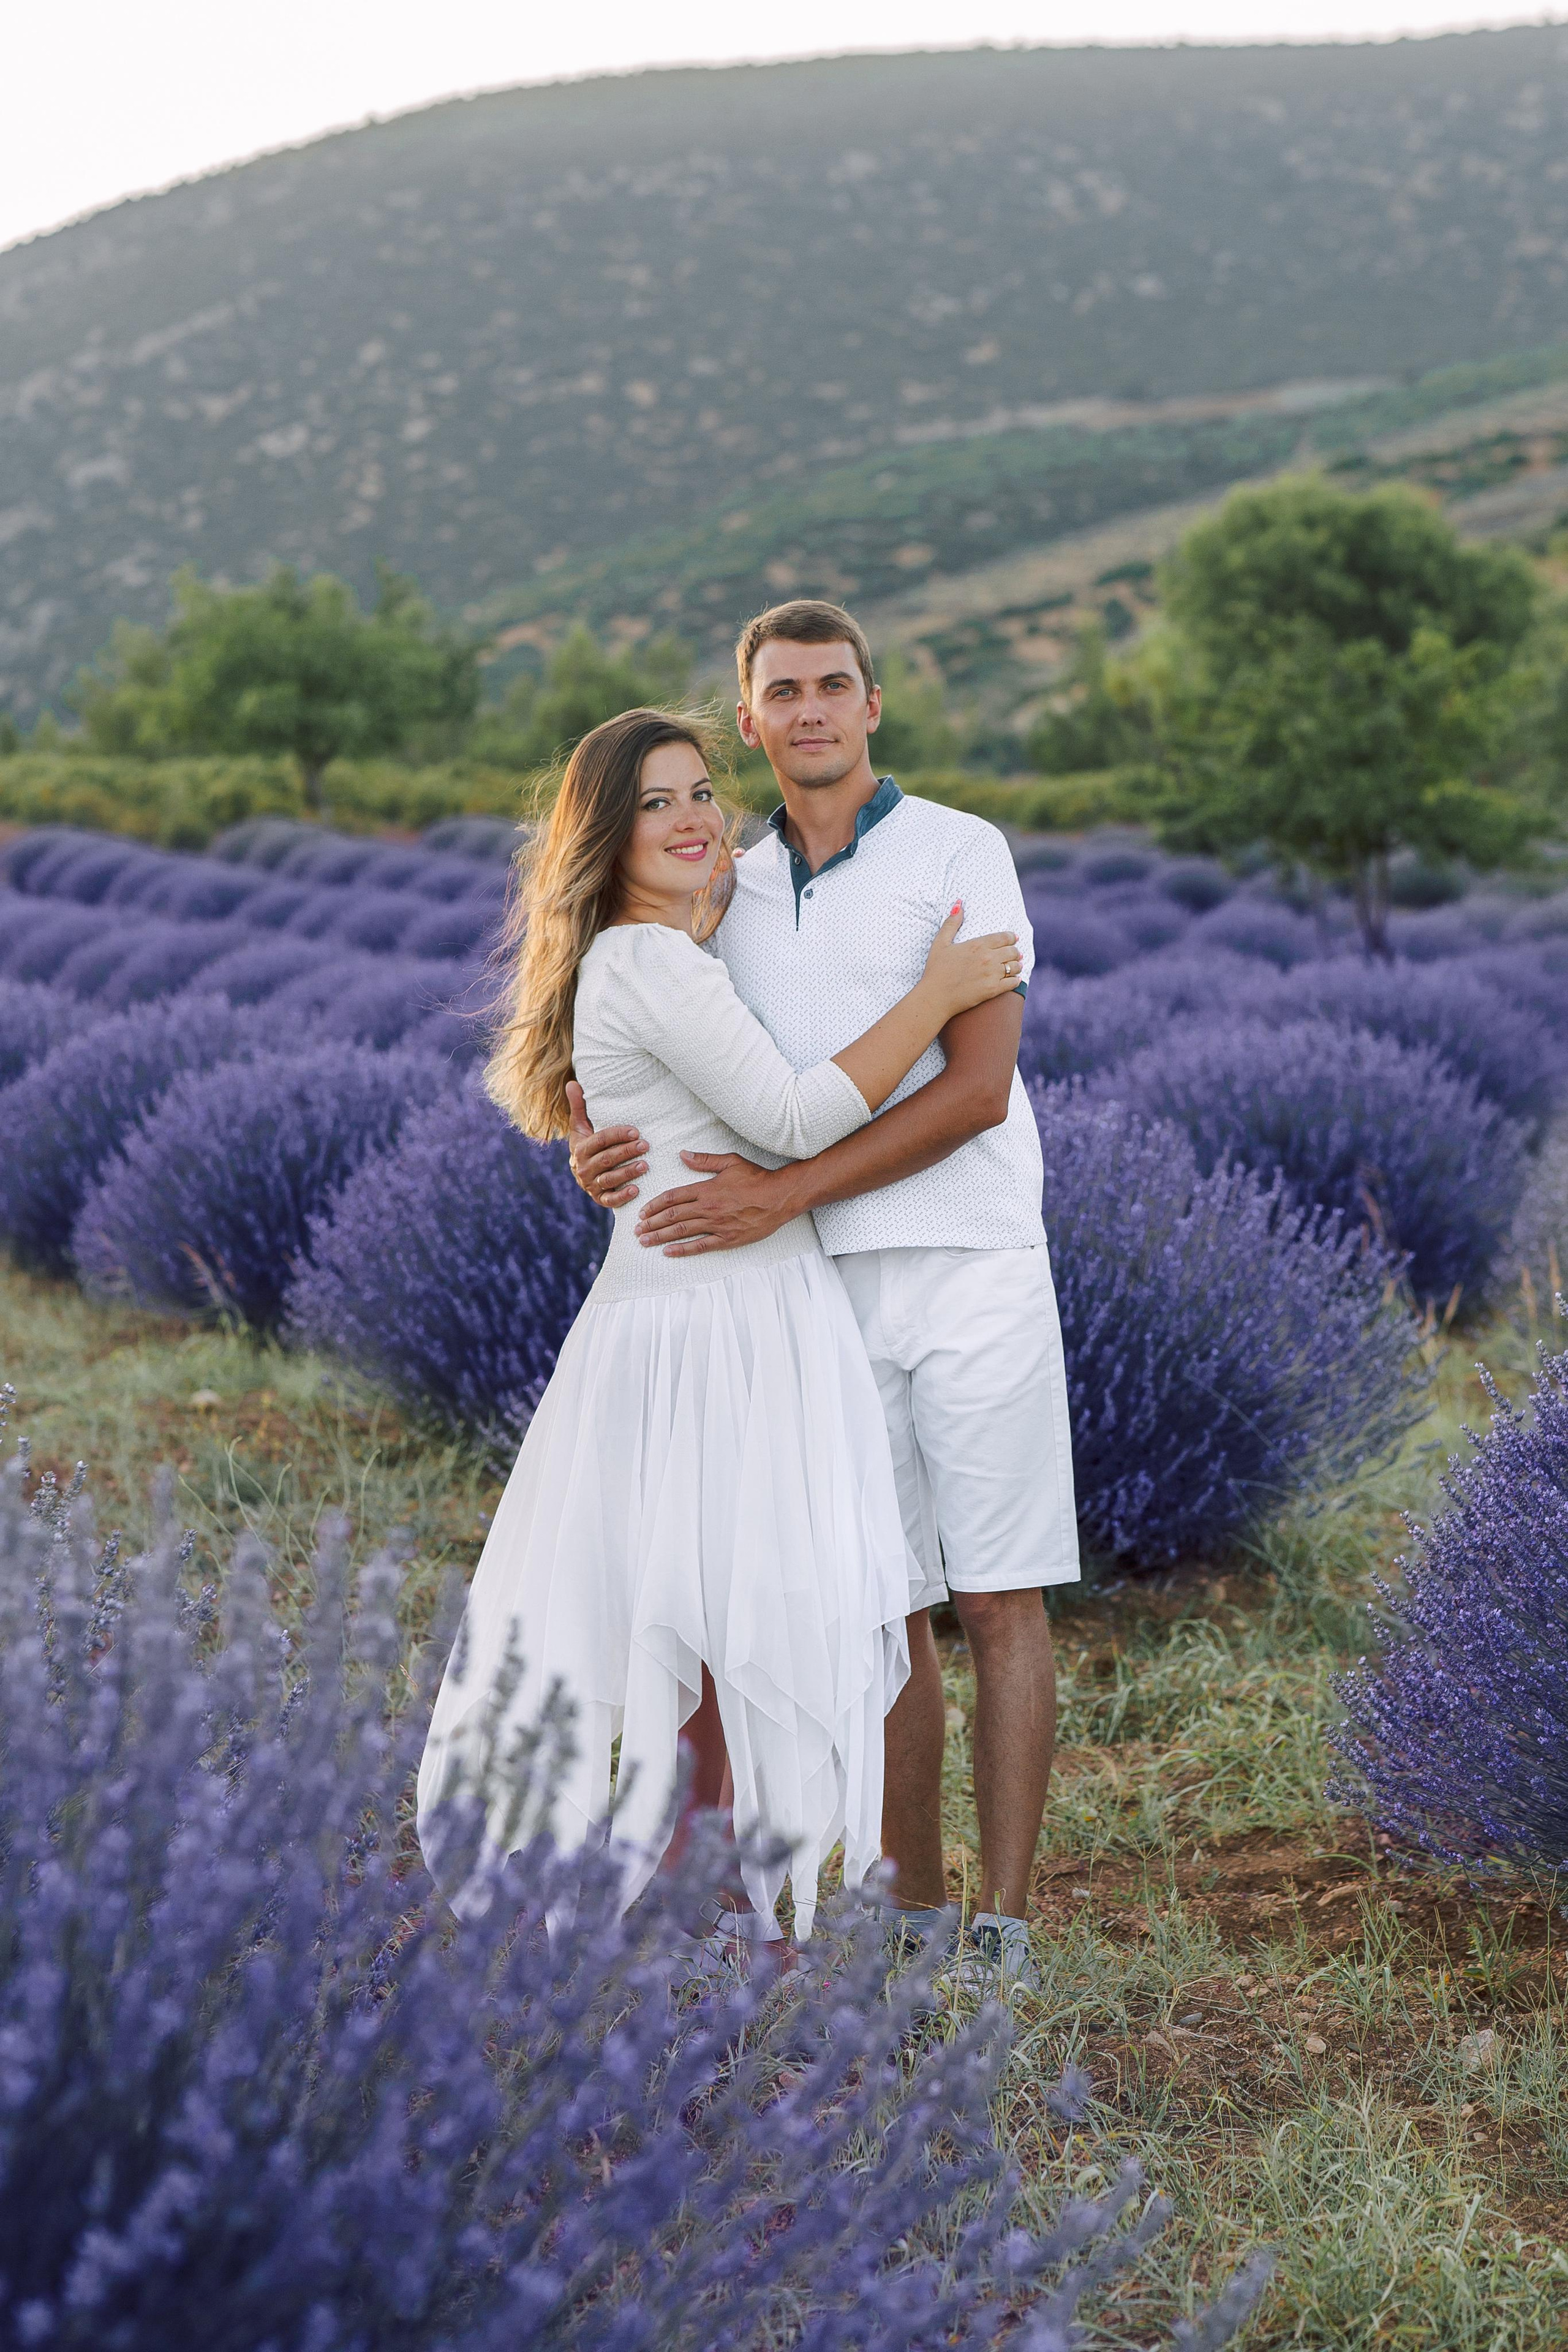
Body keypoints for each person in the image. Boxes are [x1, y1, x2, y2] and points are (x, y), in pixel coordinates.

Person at [416, 703, 1022, 1948]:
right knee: (741, 1614)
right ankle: (732, 1909)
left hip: (705, 1301)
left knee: (704, 1613)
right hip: (718, 1312)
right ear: (603, 833)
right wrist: (937, 990)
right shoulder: (646, 961)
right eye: (653, 803)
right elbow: (793, 1120)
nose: (690, 817)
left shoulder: (664, 950)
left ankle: (719, 1903)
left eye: (699, 792)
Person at [567, 601, 1081, 1985]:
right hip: (813, 1292)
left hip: (970, 1257)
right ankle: (911, 1920)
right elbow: (655, 1044)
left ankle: (1007, 1927)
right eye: (780, 691)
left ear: (871, 706)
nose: (808, 712)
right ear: (748, 720)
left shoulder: (958, 853)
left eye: (831, 688)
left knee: (997, 1597)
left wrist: (785, 1189)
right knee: (882, 1607)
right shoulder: (713, 887)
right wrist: (595, 1135)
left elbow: (976, 1094)